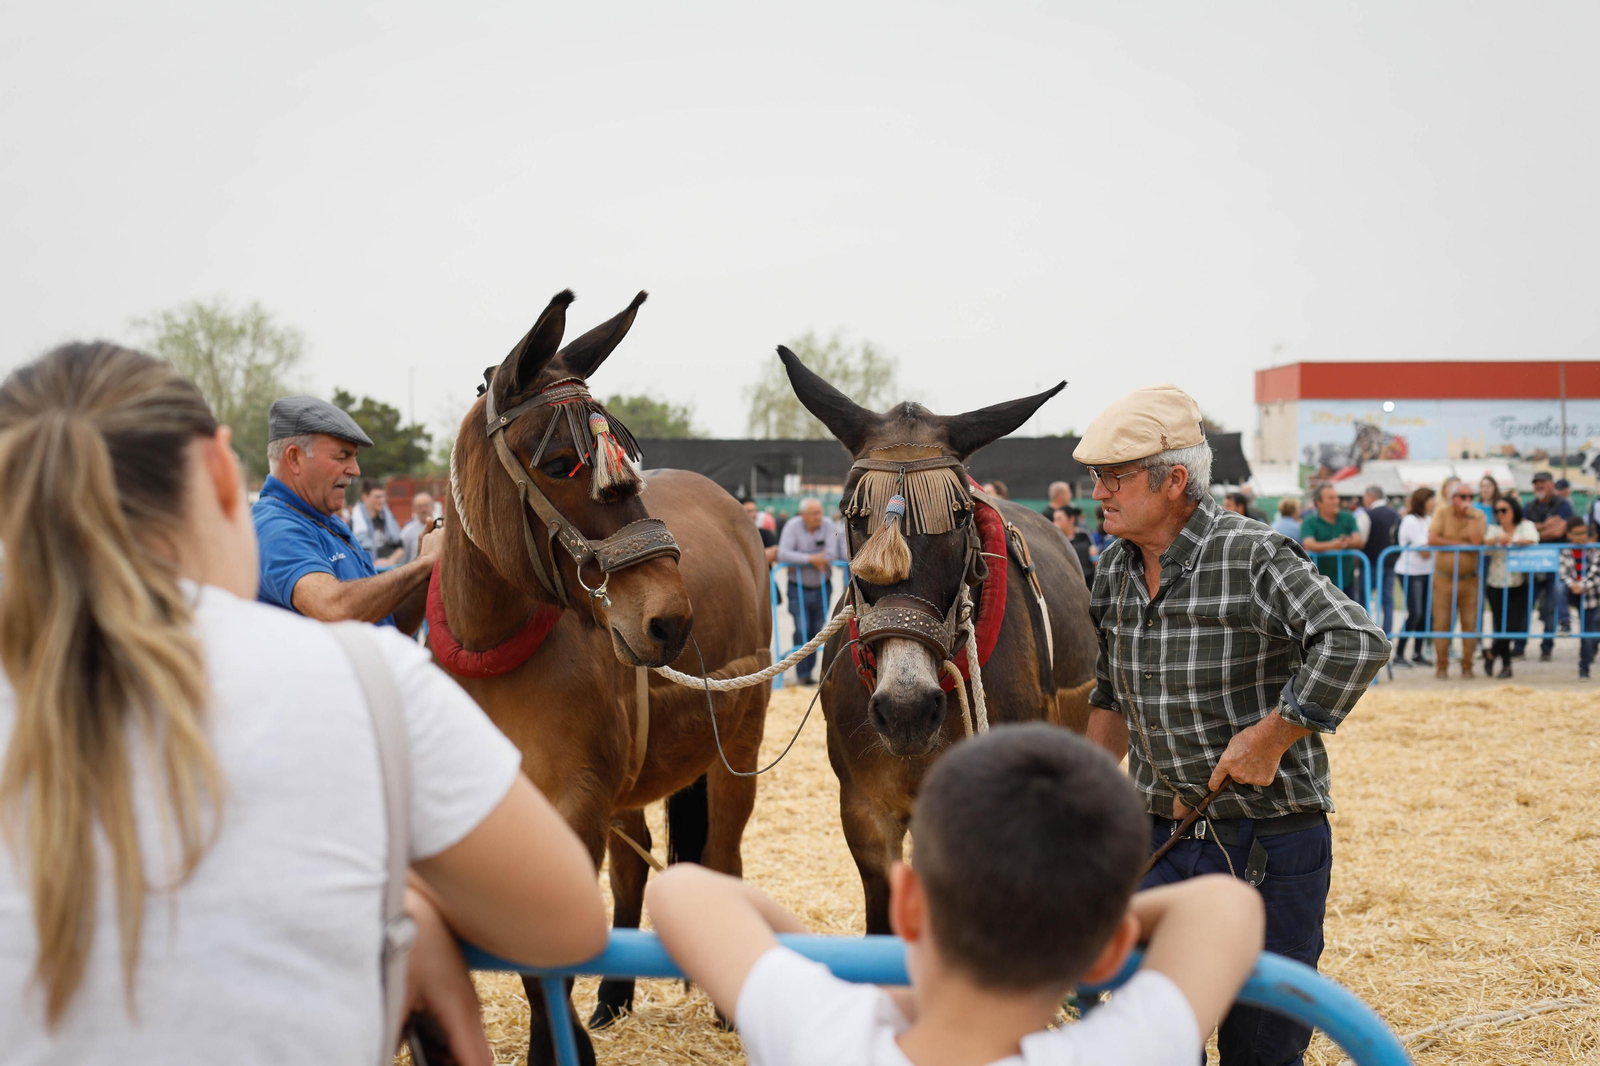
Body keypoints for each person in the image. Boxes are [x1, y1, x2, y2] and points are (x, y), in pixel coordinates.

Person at [0, 343, 610, 1064]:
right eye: (341, 455)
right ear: (227, 471)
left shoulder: (327, 534)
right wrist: (409, 908)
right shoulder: (363, 671)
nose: (355, 469)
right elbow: (570, 926)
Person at [1075, 383, 1387, 1066]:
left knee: (1262, 1046)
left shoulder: (1254, 555)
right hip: (1159, 839)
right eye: (1094, 476)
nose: (1097, 491)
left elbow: (1355, 642)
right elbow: (1111, 696)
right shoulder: (1111, 572)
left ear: (1173, 481)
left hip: (1269, 846)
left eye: (1113, 477)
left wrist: (1274, 736)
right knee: (1154, 1043)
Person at [645, 725, 1265, 1066]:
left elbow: (681, 889)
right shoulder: (1127, 1051)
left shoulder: (821, 1035)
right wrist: (1079, 916)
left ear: (908, 905)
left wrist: (858, 988)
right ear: (1109, 953)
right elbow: (1226, 906)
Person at [253, 396, 439, 631]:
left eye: (354, 457)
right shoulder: (273, 527)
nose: (355, 470)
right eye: (342, 456)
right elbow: (334, 610)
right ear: (295, 458)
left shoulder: (326, 521)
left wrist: (426, 571)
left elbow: (386, 626)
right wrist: (423, 563)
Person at [776, 498, 848, 684]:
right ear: (803, 516)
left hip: (823, 587)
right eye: (814, 513)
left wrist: (799, 560)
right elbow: (783, 553)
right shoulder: (792, 526)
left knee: (817, 631)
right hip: (797, 588)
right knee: (801, 629)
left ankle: (810, 674)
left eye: (820, 512)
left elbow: (831, 554)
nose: (819, 517)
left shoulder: (828, 525)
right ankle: (802, 673)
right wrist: (811, 559)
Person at [1428, 480, 1488, 679]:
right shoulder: (1442, 513)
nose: (1467, 501)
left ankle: (1467, 666)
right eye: (1463, 497)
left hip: (1470, 580)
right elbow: (1433, 539)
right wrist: (1460, 543)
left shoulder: (1478, 515)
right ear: (1453, 498)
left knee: (1470, 624)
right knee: (1442, 623)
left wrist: (1470, 517)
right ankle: (1441, 666)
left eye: (1471, 497)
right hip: (1443, 579)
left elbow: (1477, 542)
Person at [1482, 494, 1538, 679]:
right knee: (1500, 626)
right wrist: (1497, 539)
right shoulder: (1493, 529)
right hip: (1496, 584)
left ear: (1513, 510)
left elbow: (1532, 539)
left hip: (1518, 583)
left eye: (1504, 510)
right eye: (1497, 511)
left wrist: (1513, 540)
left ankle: (1491, 653)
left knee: (1513, 626)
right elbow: (1485, 545)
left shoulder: (1525, 526)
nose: (1500, 514)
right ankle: (1506, 666)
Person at [1524, 472, 1574, 661]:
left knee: (1551, 607)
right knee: (1527, 606)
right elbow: (1523, 529)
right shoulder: (1529, 506)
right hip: (1533, 564)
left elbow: (1560, 529)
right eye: (1536, 483)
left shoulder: (1563, 504)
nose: (1539, 486)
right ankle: (1520, 646)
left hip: (1555, 563)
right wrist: (1546, 526)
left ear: (1551, 484)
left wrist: (1534, 529)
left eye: (1543, 482)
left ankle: (1546, 647)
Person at [1392, 487, 1436, 667]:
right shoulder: (1410, 521)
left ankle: (1418, 652)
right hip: (1410, 571)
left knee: (1425, 614)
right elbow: (1425, 550)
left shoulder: (1428, 520)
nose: (1433, 503)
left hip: (1426, 571)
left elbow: (1429, 548)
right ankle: (1400, 653)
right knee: (1415, 612)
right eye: (1430, 499)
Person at [1299, 483, 1366, 602]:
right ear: (1319, 502)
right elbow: (1309, 544)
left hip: (1346, 579)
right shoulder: (1310, 521)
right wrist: (1333, 545)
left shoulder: (1347, 517)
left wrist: (1345, 543)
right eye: (1331, 498)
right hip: (1319, 583)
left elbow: (1359, 540)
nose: (1336, 501)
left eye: (1336, 497)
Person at [1560, 517, 1600, 679]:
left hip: (1591, 595)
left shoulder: (1594, 551)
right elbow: (1562, 574)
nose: (1582, 537)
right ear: (1569, 535)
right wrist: (1573, 585)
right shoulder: (1565, 550)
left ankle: (1584, 667)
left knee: (1589, 634)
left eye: (1584, 533)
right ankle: (1564, 622)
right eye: (1577, 534)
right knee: (1587, 632)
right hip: (1573, 593)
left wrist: (1582, 585)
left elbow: (1596, 574)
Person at [1360, 486, 1401, 636]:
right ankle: (1387, 634)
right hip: (1389, 562)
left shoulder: (1368, 514)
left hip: (1370, 562)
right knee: (1387, 601)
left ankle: (1365, 634)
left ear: (1371, 496)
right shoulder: (1395, 514)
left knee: (1363, 601)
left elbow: (1361, 540)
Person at [351, 478, 406, 567]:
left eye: (383, 496)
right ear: (365, 497)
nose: (382, 501)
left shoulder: (388, 519)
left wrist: (390, 560)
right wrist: (373, 563)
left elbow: (400, 547)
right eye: (377, 497)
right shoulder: (354, 522)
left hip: (389, 568)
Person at [1053, 504, 1095, 586]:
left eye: (1059, 519)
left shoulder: (1084, 535)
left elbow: (1093, 555)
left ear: (1071, 520)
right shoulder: (1054, 539)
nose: (1055, 523)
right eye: (1054, 520)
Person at [401, 490, 437, 565]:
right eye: (419, 507)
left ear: (433, 506)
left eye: (426, 505)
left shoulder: (442, 527)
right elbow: (404, 558)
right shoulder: (407, 531)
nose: (423, 509)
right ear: (414, 509)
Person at [745, 499, 781, 565]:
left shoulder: (765, 534)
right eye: (748, 511)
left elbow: (775, 552)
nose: (753, 514)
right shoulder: (732, 536)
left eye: (755, 510)